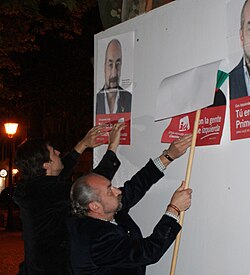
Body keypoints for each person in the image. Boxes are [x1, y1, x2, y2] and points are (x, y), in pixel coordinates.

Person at [67, 134, 193, 275]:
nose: (117, 191)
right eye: (109, 190)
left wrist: (169, 156)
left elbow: (137, 185)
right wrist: (173, 209)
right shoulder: (95, 239)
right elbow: (148, 252)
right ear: (94, 206)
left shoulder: (107, 208)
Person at [13, 124, 122, 274]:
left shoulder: (32, 188)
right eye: (54, 153)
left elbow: (59, 173)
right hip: (51, 270)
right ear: (46, 165)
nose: (58, 152)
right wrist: (112, 147)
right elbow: (92, 186)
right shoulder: (49, 193)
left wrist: (83, 144)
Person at [96, 39, 132, 114]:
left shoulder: (129, 99)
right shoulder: (96, 100)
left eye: (118, 64)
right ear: (104, 66)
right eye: (110, 65)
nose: (114, 73)